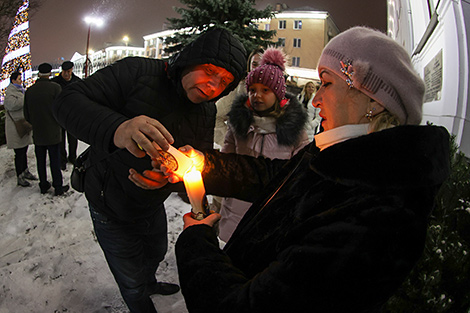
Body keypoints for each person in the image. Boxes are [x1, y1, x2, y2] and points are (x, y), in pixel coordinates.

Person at [131, 26, 451, 312]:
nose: (315, 101)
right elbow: (277, 178)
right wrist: (201, 164)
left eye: (326, 83)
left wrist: (197, 241)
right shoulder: (342, 156)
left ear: (373, 100)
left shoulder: (381, 216)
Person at [52, 28, 246, 313]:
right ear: (192, 58)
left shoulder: (206, 111)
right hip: (110, 204)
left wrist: (169, 180)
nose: (212, 86)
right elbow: (65, 102)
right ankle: (140, 301)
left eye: (224, 82)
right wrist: (118, 128)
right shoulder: (136, 72)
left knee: (155, 253)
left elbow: (192, 168)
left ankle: (151, 282)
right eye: (208, 70)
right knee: (130, 278)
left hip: (152, 206)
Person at [217, 47, 309, 242]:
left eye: (265, 90)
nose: (257, 95)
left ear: (278, 94)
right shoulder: (238, 124)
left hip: (272, 216)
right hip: (235, 213)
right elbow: (226, 163)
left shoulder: (294, 130)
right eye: (252, 90)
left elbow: (301, 172)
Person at [24, 63, 69, 196]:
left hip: (38, 133)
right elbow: (62, 109)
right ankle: (58, 187)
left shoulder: (30, 91)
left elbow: (26, 114)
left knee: (41, 161)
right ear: (50, 73)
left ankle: (43, 185)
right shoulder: (55, 88)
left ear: (38, 73)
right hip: (53, 132)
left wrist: (36, 124)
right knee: (55, 161)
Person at [213, 46, 264, 147]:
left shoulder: (276, 94)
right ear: (249, 66)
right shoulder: (239, 89)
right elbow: (216, 115)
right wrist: (227, 141)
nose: (257, 68)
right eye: (254, 64)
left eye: (262, 64)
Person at [4, 71, 37, 187]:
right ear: (13, 81)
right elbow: (10, 105)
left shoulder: (20, 90)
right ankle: (20, 175)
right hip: (16, 127)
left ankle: (25, 170)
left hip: (23, 125)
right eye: (18, 79)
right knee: (19, 153)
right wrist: (25, 99)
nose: (20, 81)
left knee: (24, 150)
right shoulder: (10, 92)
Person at [51, 61, 82, 169]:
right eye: (64, 71)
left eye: (68, 71)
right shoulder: (55, 83)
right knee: (61, 140)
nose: (66, 74)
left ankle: (73, 157)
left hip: (73, 116)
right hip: (59, 115)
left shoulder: (77, 81)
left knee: (73, 138)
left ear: (72, 70)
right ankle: (62, 159)